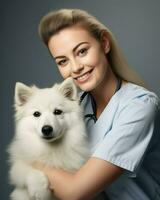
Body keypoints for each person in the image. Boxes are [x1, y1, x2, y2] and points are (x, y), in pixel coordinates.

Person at [33, 8, 160, 200]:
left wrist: (31, 163)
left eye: (82, 51)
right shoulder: (73, 108)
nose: (75, 68)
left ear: (104, 43)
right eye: (62, 61)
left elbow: (75, 191)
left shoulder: (140, 106)